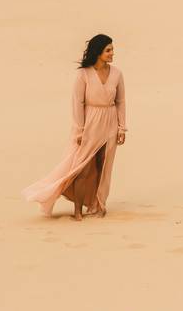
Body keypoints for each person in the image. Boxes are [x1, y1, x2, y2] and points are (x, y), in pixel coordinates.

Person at [22, 34, 127, 220]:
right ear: (98, 52)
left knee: (103, 166)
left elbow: (121, 101)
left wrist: (122, 128)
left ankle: (98, 205)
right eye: (108, 50)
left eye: (112, 50)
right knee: (82, 168)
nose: (112, 53)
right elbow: (77, 103)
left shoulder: (117, 73)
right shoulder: (83, 74)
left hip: (109, 122)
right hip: (90, 123)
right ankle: (77, 211)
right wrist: (80, 130)